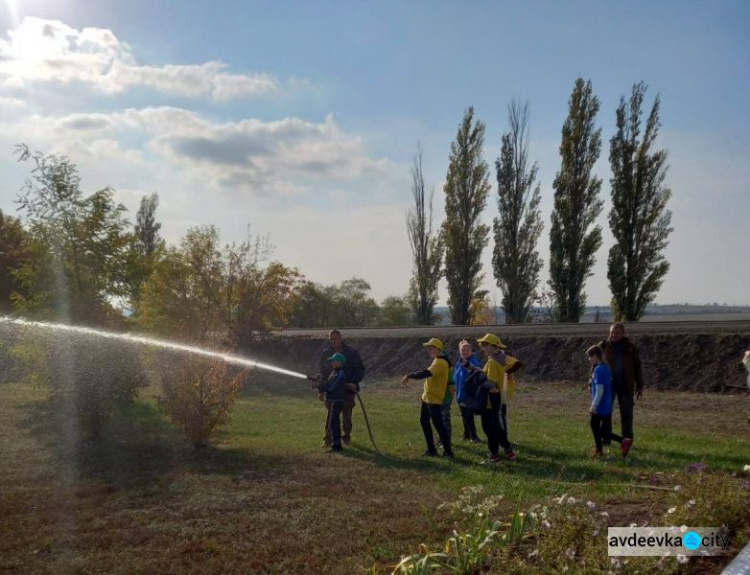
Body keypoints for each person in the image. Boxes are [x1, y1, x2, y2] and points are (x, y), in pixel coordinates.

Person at [402, 338, 454, 458]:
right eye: (427, 348)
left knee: (438, 425)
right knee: (424, 421)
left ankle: (448, 452)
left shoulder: (441, 362)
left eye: (430, 348)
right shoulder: (437, 359)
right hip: (427, 397)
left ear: (437, 348)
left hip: (434, 398)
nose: (428, 350)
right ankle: (431, 450)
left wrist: (410, 376)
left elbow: (427, 373)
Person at [477, 333, 522, 464]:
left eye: (485, 345)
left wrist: (477, 382)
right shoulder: (503, 357)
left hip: (490, 399)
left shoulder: (491, 361)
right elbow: (517, 364)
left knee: (489, 428)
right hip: (500, 397)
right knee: (497, 426)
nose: (483, 348)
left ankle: (494, 456)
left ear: (492, 346)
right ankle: (509, 451)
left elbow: (490, 382)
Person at [598, 323, 641, 457]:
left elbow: (637, 367)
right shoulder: (602, 347)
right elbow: (595, 366)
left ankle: (627, 440)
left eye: (617, 333)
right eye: (612, 332)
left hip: (626, 385)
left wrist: (640, 384)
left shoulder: (630, 348)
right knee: (606, 414)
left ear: (623, 334)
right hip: (608, 386)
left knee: (627, 414)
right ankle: (606, 439)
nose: (614, 335)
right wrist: (592, 381)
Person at [318, 330, 365, 447]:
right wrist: (320, 390)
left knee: (347, 415)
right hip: (332, 392)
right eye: (331, 339)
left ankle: (346, 436)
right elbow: (323, 372)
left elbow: (359, 369)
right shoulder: (326, 353)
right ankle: (328, 438)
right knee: (331, 416)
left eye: (335, 339)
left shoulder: (352, 353)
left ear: (340, 338)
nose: (333, 341)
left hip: (347, 391)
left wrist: (353, 382)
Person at [586, 345, 624, 457]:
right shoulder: (606, 367)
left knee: (595, 426)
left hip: (600, 405)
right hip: (607, 404)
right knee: (601, 429)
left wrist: (594, 405)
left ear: (595, 356)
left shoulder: (598, 370)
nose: (589, 359)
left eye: (590, 356)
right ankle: (621, 442)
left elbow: (599, 390)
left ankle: (600, 450)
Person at [315, 353, 347, 452]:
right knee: (331, 422)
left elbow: (331, 388)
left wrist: (322, 385)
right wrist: (318, 383)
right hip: (332, 400)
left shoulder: (341, 374)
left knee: (334, 422)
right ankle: (335, 444)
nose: (332, 362)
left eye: (334, 360)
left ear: (339, 362)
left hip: (337, 401)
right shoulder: (333, 372)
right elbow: (328, 385)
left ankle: (337, 445)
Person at [454, 340, 482, 442]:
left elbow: (475, 372)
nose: (465, 352)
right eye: (463, 350)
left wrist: (469, 367)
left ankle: (474, 436)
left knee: (469, 416)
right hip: (459, 394)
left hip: (468, 394)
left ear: (470, 351)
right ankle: (467, 434)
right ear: (460, 351)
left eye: (467, 350)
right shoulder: (459, 363)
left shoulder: (473, 362)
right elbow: (456, 377)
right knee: (464, 416)